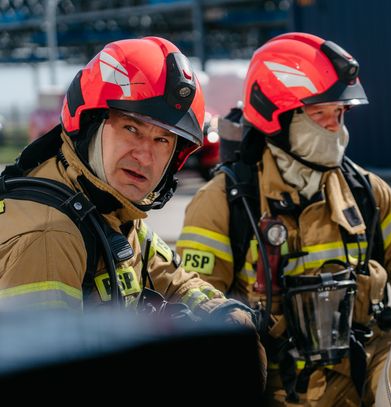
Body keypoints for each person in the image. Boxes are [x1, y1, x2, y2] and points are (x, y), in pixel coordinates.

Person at [177, 32, 391, 406]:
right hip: (276, 388)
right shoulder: (223, 201)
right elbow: (196, 305)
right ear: (276, 116)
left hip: (359, 372)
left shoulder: (366, 191)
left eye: (340, 113)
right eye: (320, 114)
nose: (337, 128)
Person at [0, 37, 265, 388]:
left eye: (162, 140)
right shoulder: (51, 236)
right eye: (131, 129)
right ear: (89, 124)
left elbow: (173, 278)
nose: (145, 156)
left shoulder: (109, 210)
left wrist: (223, 312)